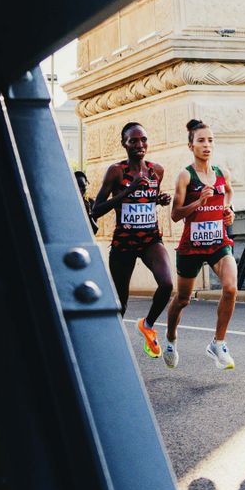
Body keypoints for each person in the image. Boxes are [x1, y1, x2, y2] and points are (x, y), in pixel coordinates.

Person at [143, 118, 239, 370]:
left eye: (210, 140)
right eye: (201, 141)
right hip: (192, 246)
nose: (206, 145)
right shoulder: (186, 175)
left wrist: (229, 211)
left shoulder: (221, 173)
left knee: (230, 287)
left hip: (218, 241)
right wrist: (199, 202)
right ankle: (171, 339)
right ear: (191, 146)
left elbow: (228, 193)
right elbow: (175, 214)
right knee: (183, 299)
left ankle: (218, 343)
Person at [88, 122, 177, 342]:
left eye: (143, 139)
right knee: (121, 301)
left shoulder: (157, 170)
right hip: (124, 244)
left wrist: (160, 200)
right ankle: (113, 342)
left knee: (167, 284)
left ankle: (147, 325)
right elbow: (97, 210)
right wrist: (128, 190)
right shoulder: (116, 171)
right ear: (124, 144)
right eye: (133, 140)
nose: (140, 144)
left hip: (150, 239)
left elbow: (146, 200)